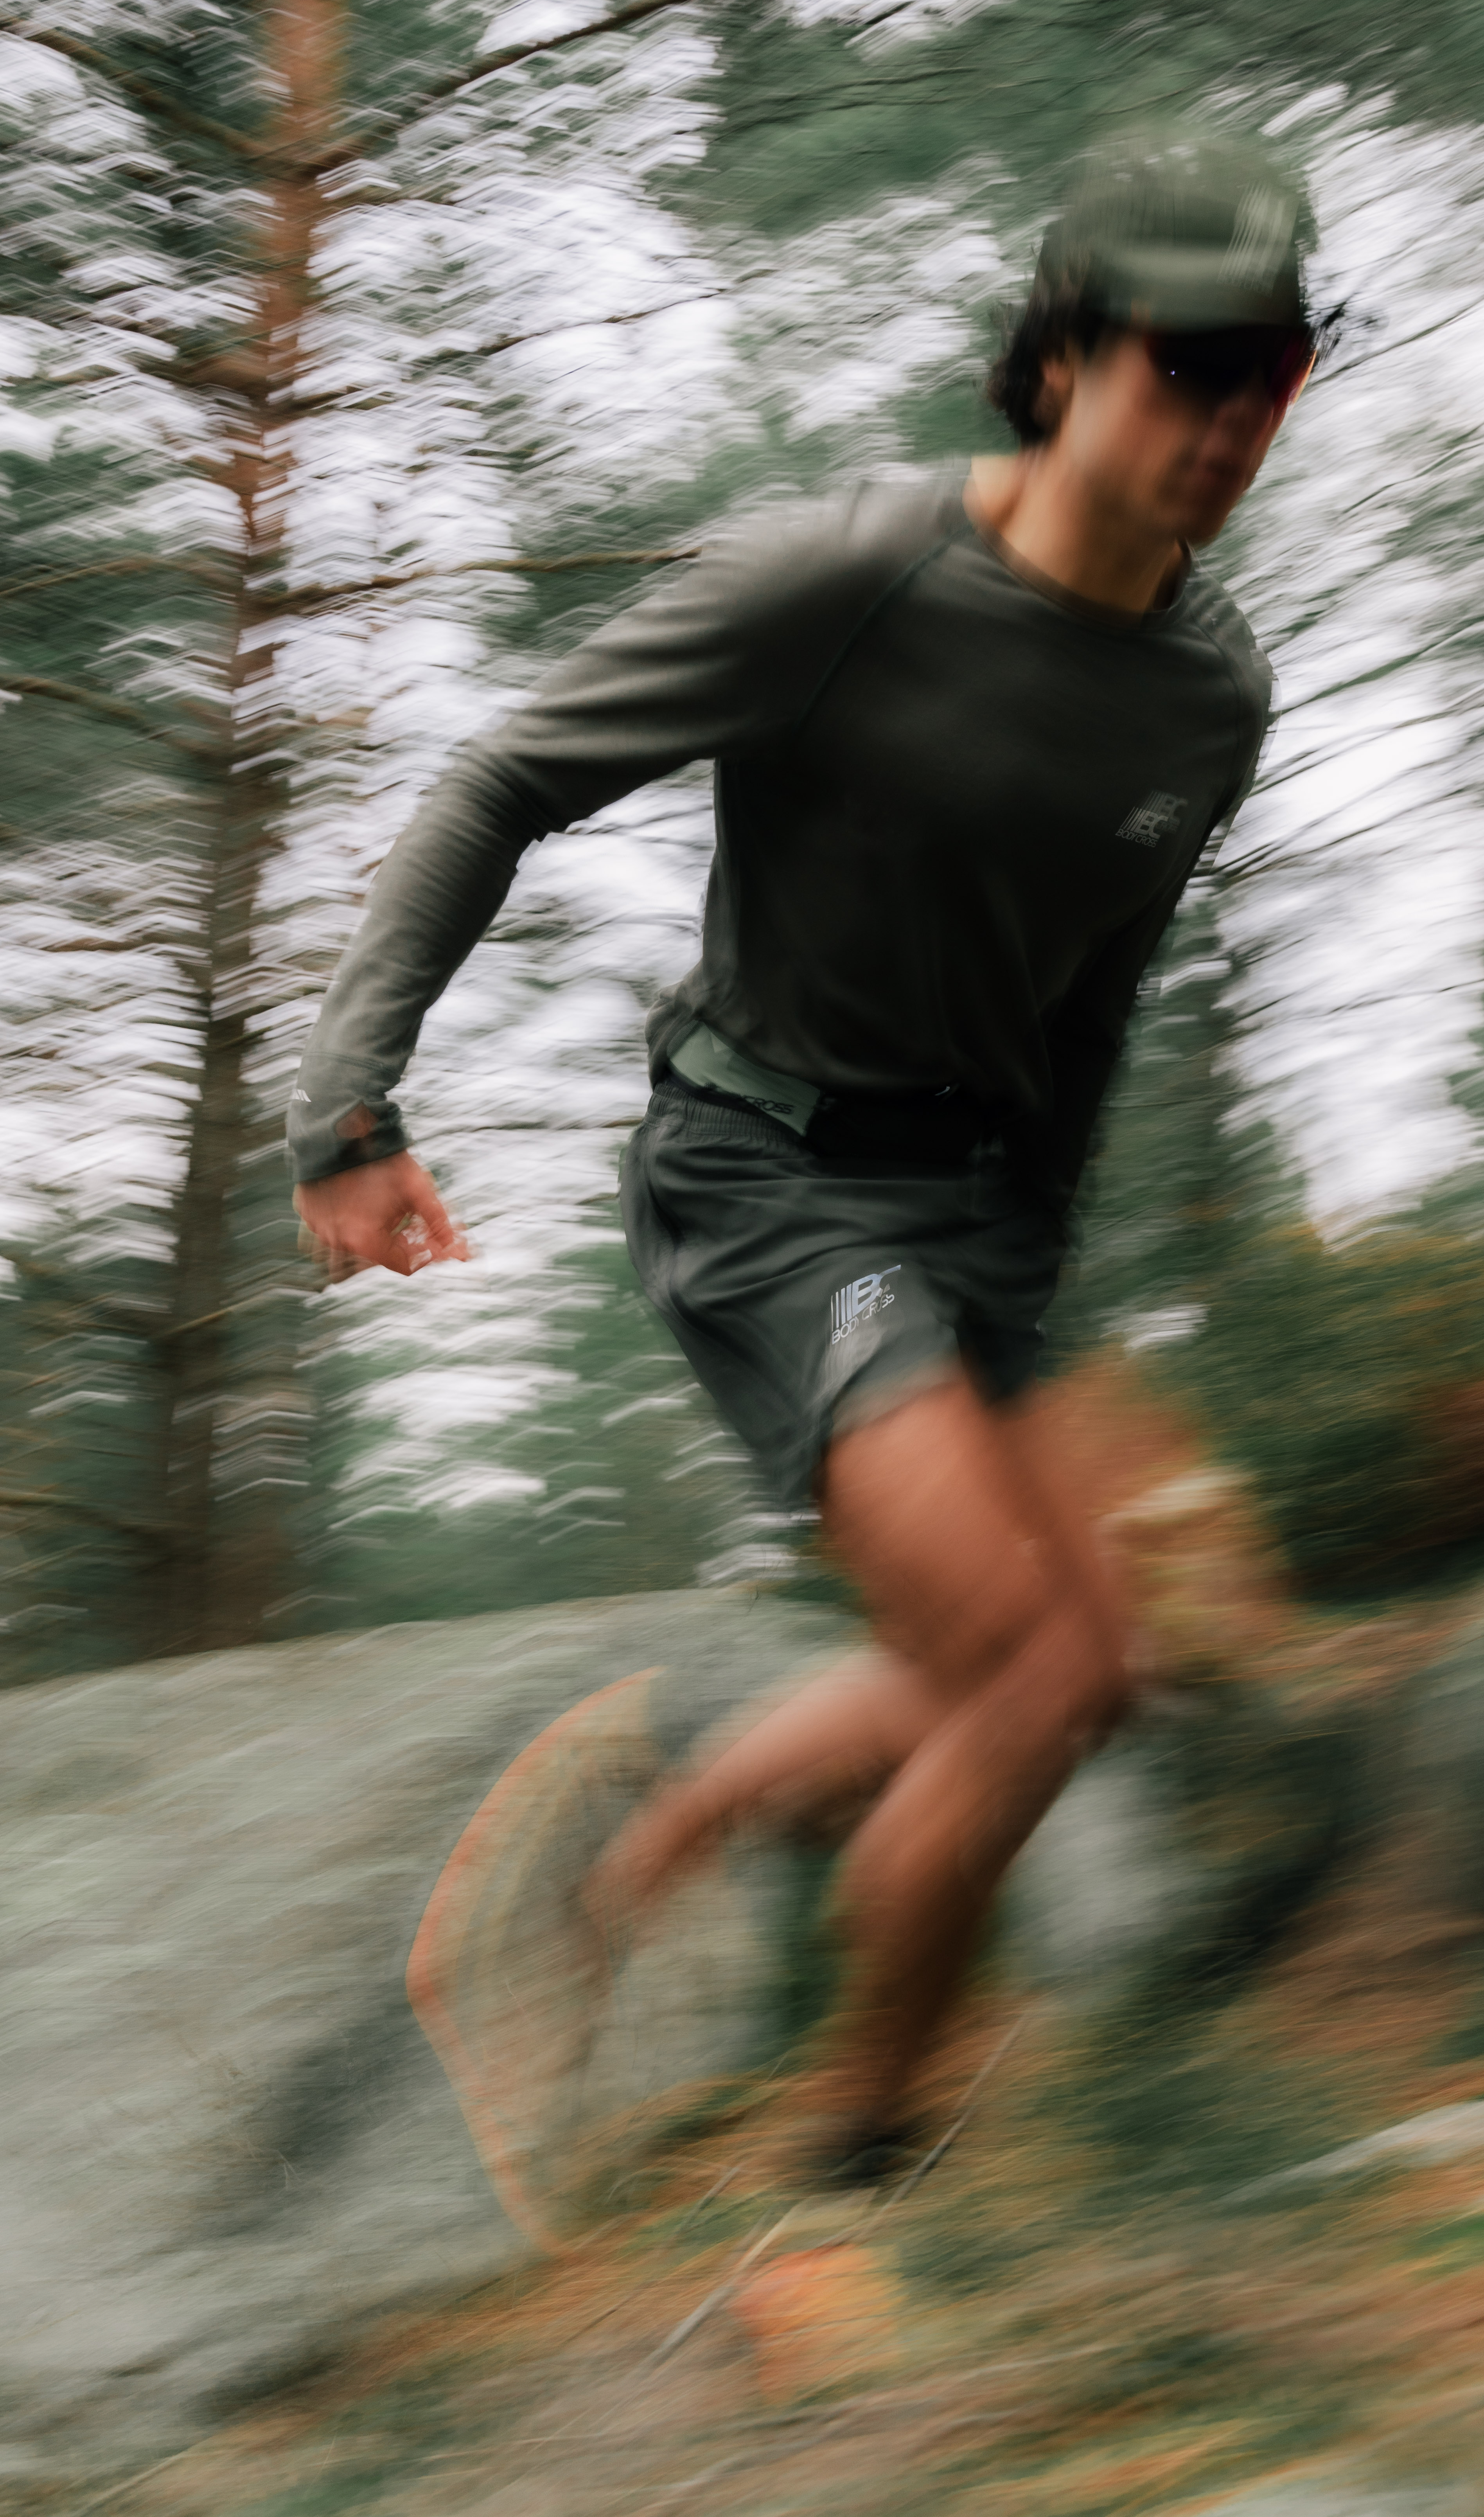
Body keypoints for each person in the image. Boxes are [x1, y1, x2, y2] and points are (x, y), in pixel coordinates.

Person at [290, 125, 1317, 2188]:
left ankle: (657, 1825)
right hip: (768, 1179)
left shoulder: (1214, 696)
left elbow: (1091, 997)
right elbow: (502, 779)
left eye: (1272, 371)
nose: (1233, 417)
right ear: (1061, 360)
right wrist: (349, 1101)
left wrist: (1037, 1279)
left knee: (1101, 1662)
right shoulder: (845, 577)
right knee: (1027, 1673)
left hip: (977, 1214)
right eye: (1188, 367)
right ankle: (845, 2177)